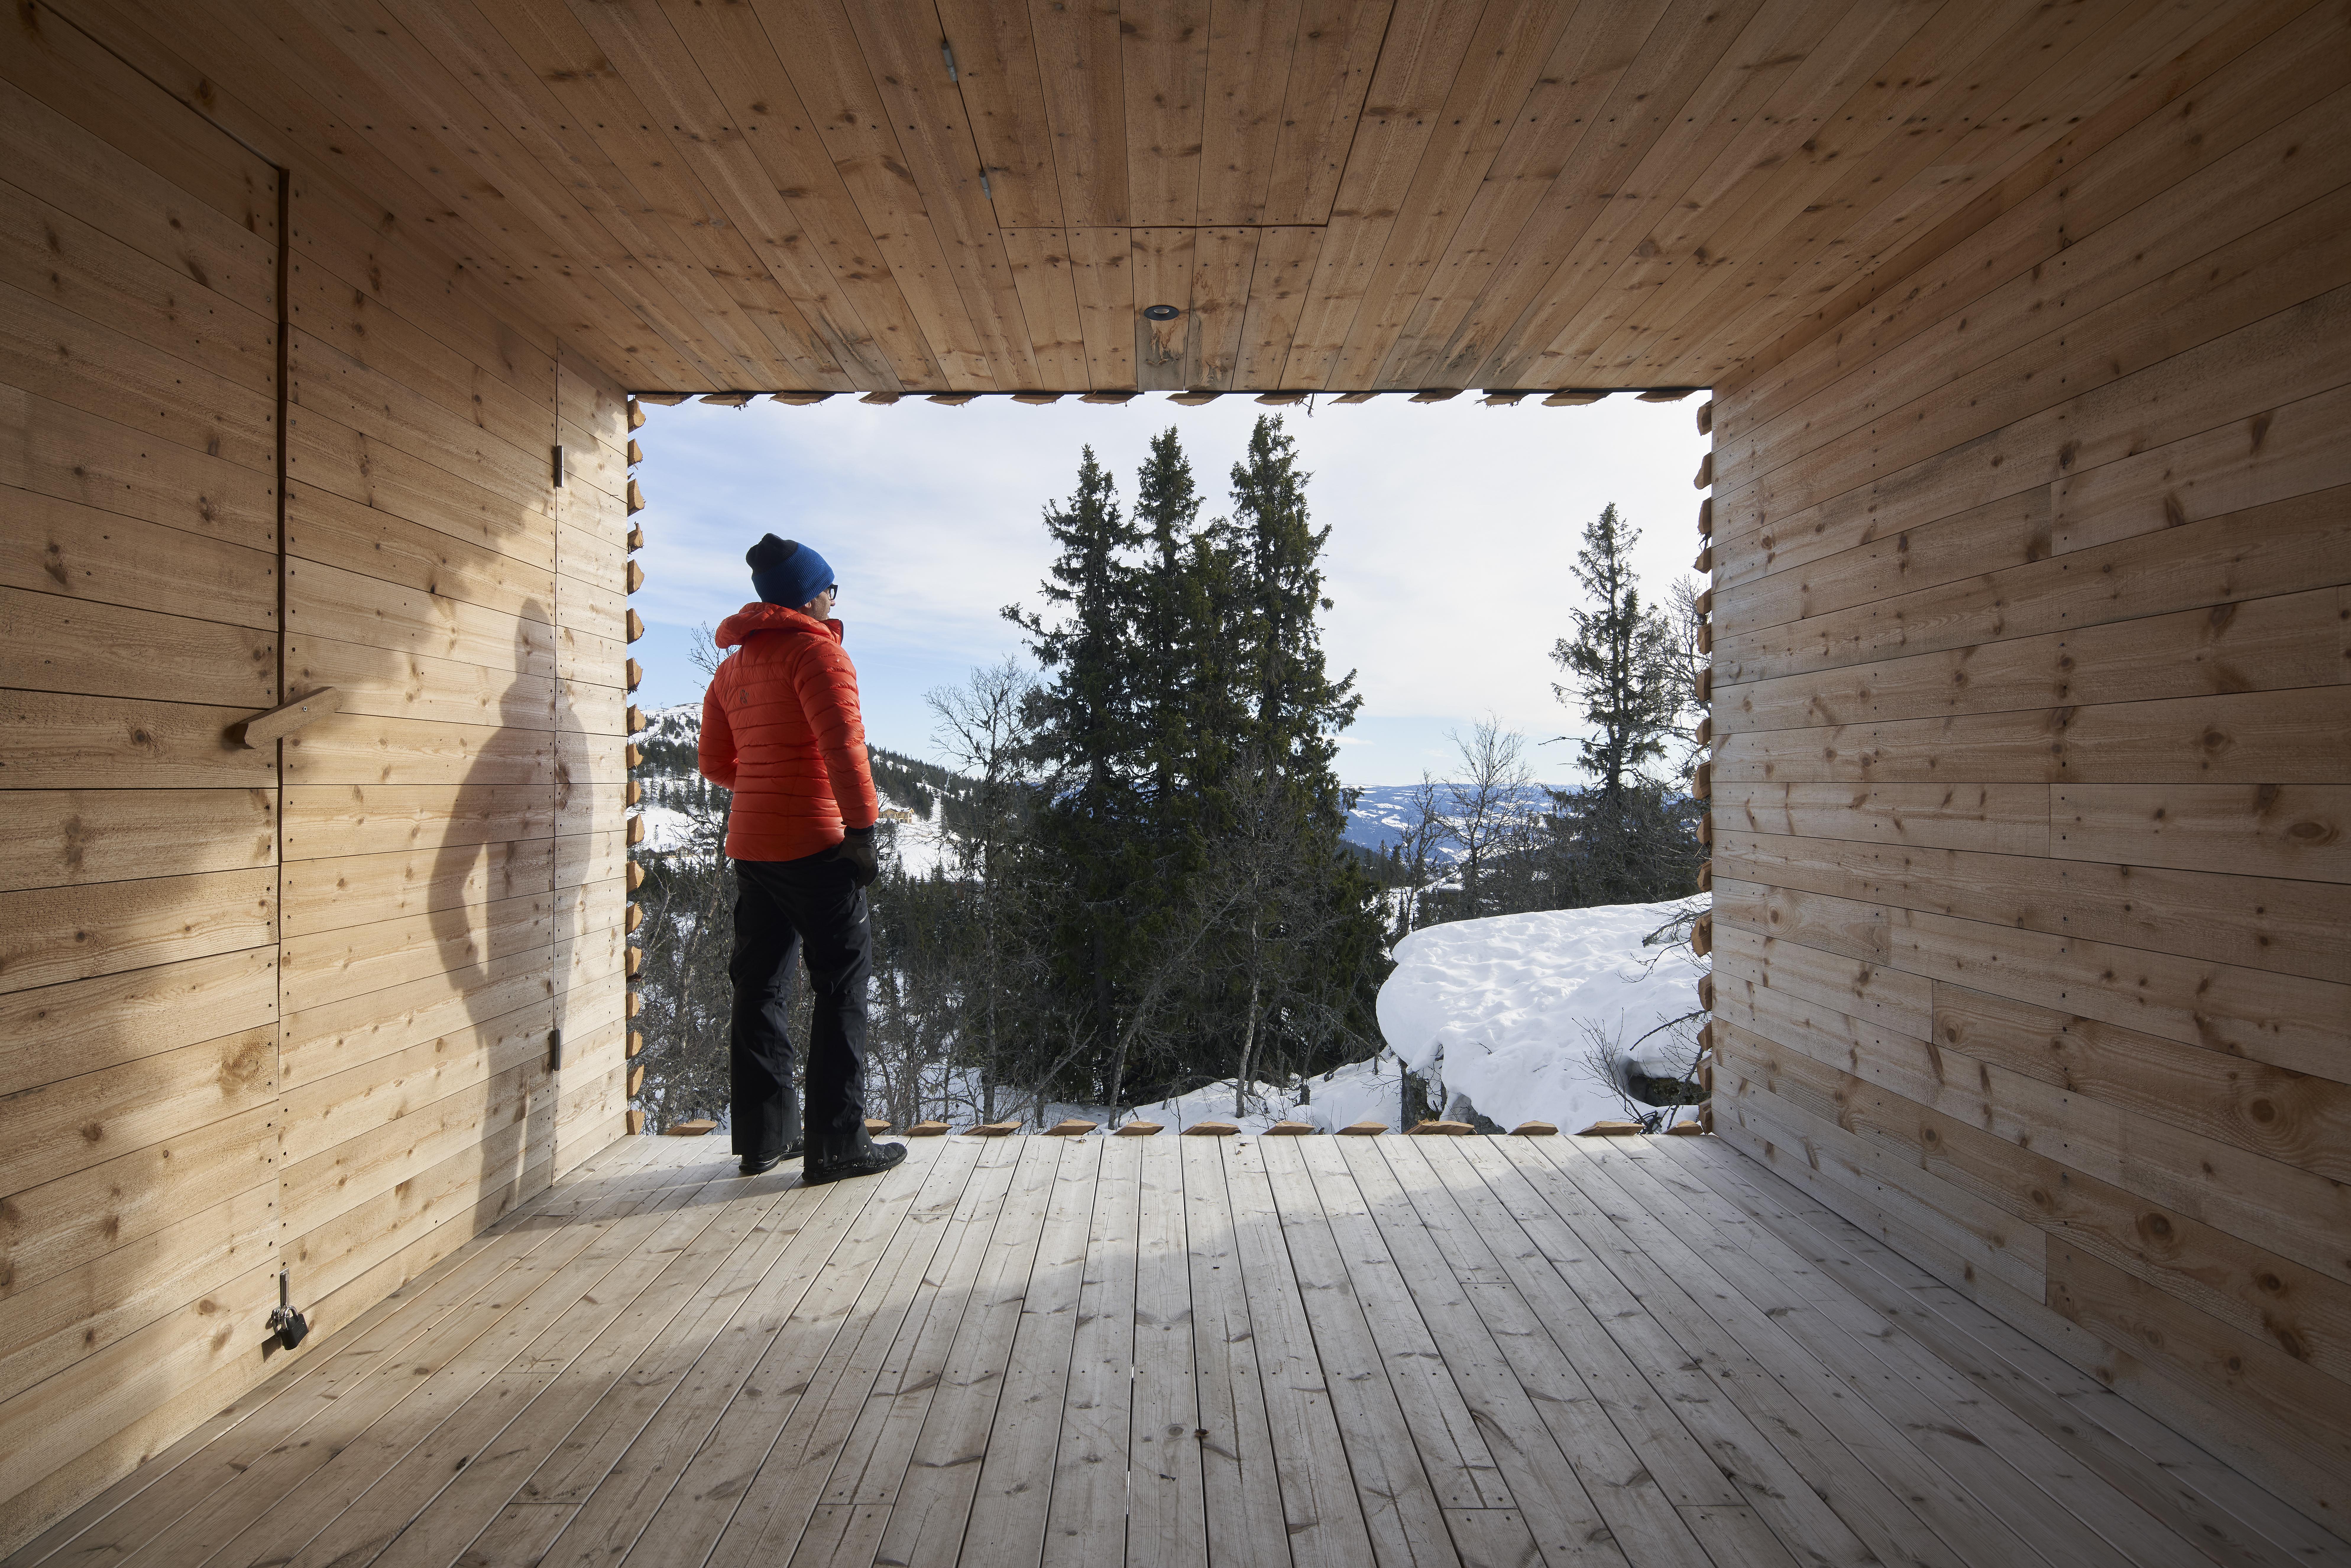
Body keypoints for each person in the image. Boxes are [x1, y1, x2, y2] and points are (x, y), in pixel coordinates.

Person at [697, 534, 907, 1184]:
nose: (833, 600)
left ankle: (764, 1140)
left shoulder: (732, 669)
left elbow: (714, 764)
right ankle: (837, 1144)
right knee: (841, 987)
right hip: (816, 847)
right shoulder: (819, 655)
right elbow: (844, 747)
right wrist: (863, 829)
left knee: (759, 987)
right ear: (812, 595)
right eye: (831, 589)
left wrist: (764, 785)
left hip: (753, 848)